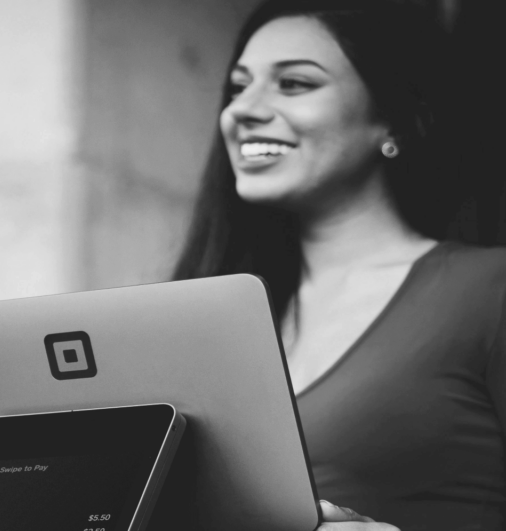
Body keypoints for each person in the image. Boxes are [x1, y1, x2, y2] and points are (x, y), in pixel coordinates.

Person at [173, 0, 505, 529]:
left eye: (295, 84)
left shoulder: (489, 291)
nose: (241, 110)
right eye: (237, 87)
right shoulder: (201, 318)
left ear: (392, 116)